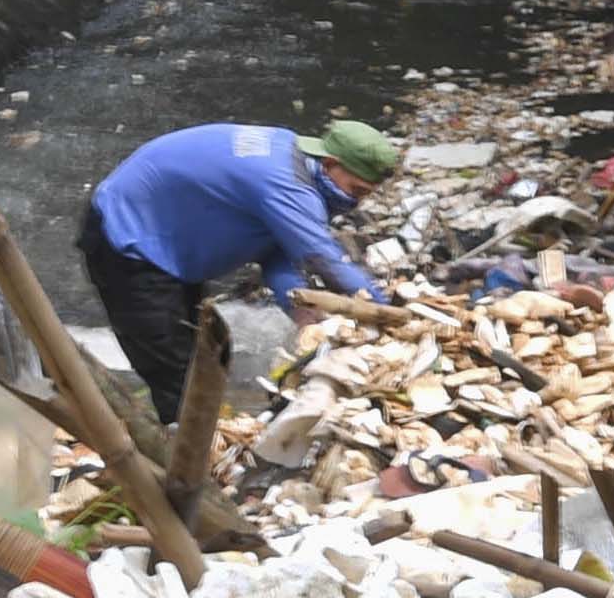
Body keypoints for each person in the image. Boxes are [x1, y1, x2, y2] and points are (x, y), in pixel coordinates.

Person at [78, 118, 395, 419]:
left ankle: (204, 431)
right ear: (329, 164)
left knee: (208, 353)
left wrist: (300, 310)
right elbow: (323, 259)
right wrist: (391, 313)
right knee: (175, 372)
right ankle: (181, 462)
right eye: (356, 191)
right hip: (128, 239)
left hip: (170, 237)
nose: (359, 203)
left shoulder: (290, 152)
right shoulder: (285, 184)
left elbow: (275, 252)